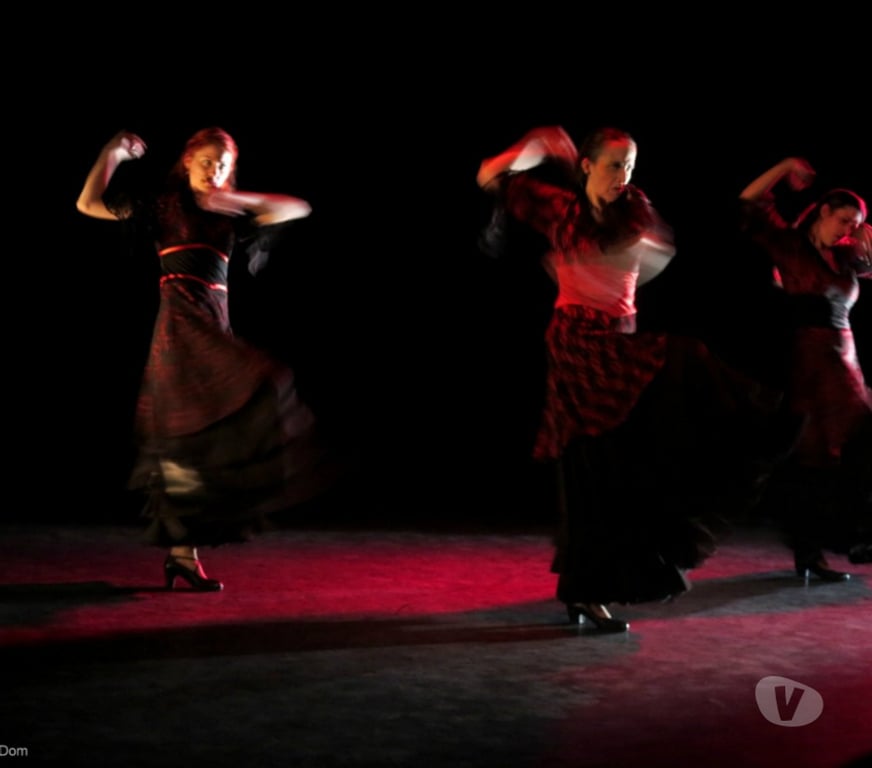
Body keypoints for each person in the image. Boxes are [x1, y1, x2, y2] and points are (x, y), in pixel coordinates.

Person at [476, 125, 799, 632]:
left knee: (629, 460)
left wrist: (598, 263)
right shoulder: (558, 208)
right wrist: (537, 146)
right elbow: (490, 175)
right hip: (578, 345)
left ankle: (591, 584)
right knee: (590, 463)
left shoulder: (633, 205)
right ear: (587, 166)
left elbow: (652, 252)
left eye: (629, 166)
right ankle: (585, 592)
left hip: (619, 340)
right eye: (612, 165)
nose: (622, 176)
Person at [76, 127, 339, 591]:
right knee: (187, 437)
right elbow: (87, 203)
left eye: (224, 164)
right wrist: (111, 153)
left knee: (213, 434)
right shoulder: (164, 206)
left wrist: (235, 199)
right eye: (207, 160)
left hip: (214, 327)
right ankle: (182, 555)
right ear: (188, 161)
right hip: (179, 332)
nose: (215, 169)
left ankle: (182, 556)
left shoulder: (229, 213)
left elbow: (299, 207)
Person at [738, 158, 872, 578]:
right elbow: (749, 200)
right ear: (823, 211)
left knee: (856, 447)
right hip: (810, 361)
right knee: (812, 458)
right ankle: (811, 553)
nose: (847, 229)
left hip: (844, 360)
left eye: (855, 224)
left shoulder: (846, 255)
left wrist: (869, 240)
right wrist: (785, 166)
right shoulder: (790, 244)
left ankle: (848, 536)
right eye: (844, 220)